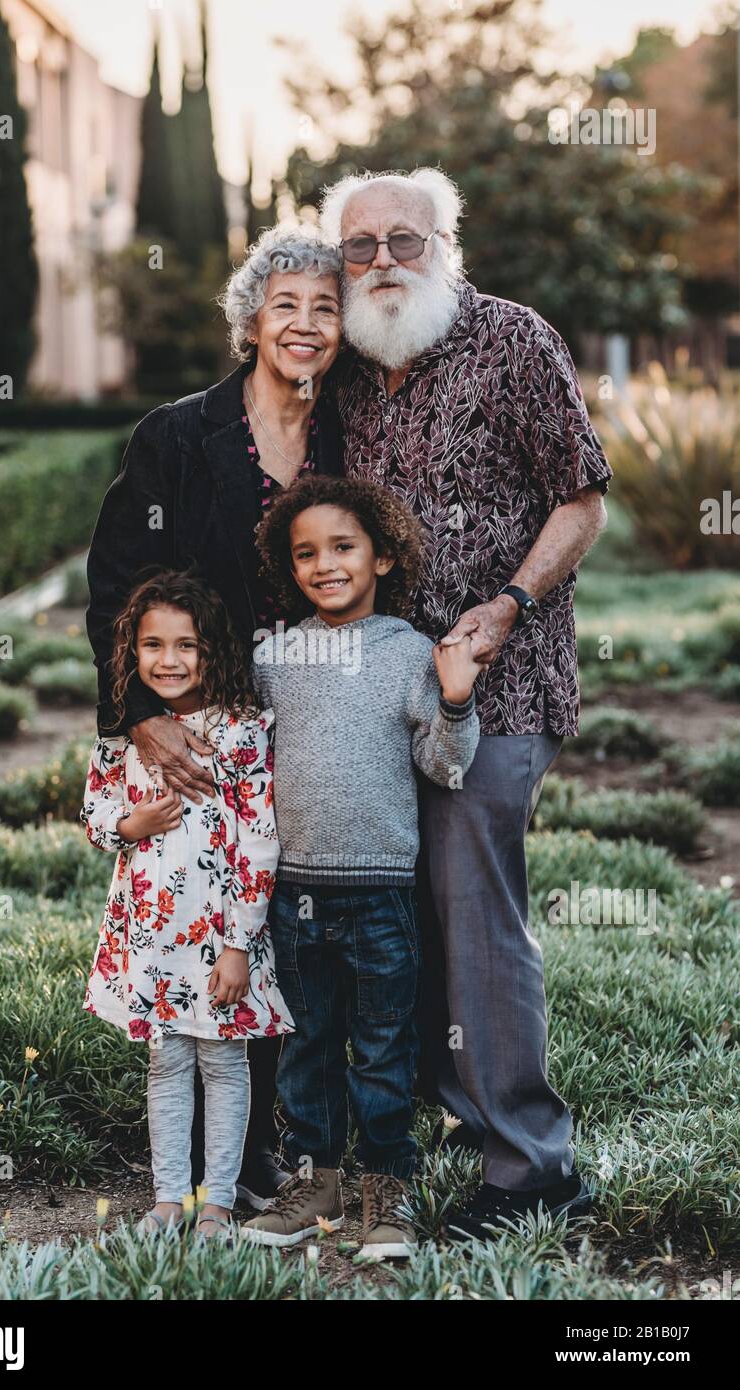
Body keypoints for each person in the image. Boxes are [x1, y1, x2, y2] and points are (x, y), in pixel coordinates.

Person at [320, 166, 612, 1241]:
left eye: (406, 238)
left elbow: (582, 498)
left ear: (447, 243)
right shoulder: (347, 370)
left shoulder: (514, 339)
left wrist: (510, 601)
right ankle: (465, 1111)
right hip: (379, 693)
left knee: (475, 910)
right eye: (361, 246)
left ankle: (533, 1166)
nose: (384, 261)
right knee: (412, 916)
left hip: (501, 680)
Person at [85, 227, 344, 1209]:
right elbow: (116, 579)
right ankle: (210, 1162)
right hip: (200, 724)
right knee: (205, 916)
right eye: (286, 305)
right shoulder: (176, 437)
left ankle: (296, 1132)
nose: (305, 325)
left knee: (284, 908)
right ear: (250, 319)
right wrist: (141, 715)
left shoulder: (352, 437)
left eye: (326, 307)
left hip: (319, 714)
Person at [240, 475, 482, 1258]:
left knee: (383, 1050)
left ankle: (387, 1192)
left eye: (342, 548)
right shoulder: (272, 658)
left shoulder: (410, 652)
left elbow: (446, 767)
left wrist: (454, 700)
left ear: (381, 556)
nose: (324, 565)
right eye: (305, 553)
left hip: (380, 892)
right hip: (292, 892)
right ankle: (317, 1184)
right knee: (305, 1048)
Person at [80, 570, 294, 1240]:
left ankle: (219, 1203)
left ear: (213, 651)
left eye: (186, 646)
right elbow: (93, 810)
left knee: (225, 1066)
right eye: (152, 645)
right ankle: (169, 1198)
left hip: (219, 941)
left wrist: (238, 944)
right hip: (149, 936)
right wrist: (127, 826)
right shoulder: (126, 735)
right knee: (167, 1065)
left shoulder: (239, 731)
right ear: (132, 651)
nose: (168, 661)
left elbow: (259, 841)